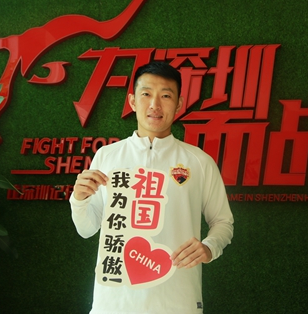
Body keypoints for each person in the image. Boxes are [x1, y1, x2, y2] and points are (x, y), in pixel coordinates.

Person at [70, 61, 234, 314]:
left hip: (177, 301)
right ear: (132, 101)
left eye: (166, 96)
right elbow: (86, 229)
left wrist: (210, 247)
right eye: (146, 94)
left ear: (179, 104)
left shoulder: (199, 162)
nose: (155, 105)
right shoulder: (107, 156)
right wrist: (79, 200)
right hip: (113, 303)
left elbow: (223, 222)